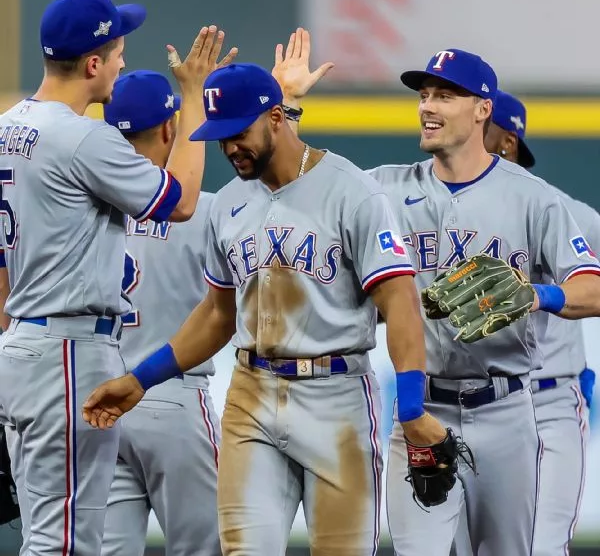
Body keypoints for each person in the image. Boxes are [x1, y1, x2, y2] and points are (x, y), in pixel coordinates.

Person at [82, 35, 453, 555]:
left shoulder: (351, 191)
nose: (231, 147)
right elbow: (216, 315)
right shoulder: (229, 203)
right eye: (221, 137)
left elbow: (400, 300)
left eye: (240, 132)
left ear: (278, 117)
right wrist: (141, 379)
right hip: (251, 395)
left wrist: (411, 406)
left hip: (337, 397)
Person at [0, 0, 234, 556]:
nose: (125, 62)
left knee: (49, 536)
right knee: (66, 544)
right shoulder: (82, 139)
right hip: (68, 350)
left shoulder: (6, 127)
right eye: (120, 51)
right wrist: (193, 93)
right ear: (93, 62)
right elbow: (178, 201)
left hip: (21, 347)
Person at [367, 49, 600, 556]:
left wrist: (537, 293)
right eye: (424, 95)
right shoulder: (382, 188)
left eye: (445, 95)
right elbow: (310, 189)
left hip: (509, 409)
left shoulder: (535, 198)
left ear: (482, 109)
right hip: (422, 409)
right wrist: (289, 106)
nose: (428, 105)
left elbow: (593, 287)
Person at [451, 90, 598, 556]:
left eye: (482, 125)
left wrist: (545, 296)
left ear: (506, 142)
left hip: (549, 401)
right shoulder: (442, 208)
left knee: (542, 548)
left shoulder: (566, 212)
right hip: (470, 405)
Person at [100, 70, 221, 556]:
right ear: (171, 129)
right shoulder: (206, 210)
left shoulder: (87, 206)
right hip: (173, 394)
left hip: (100, 398)